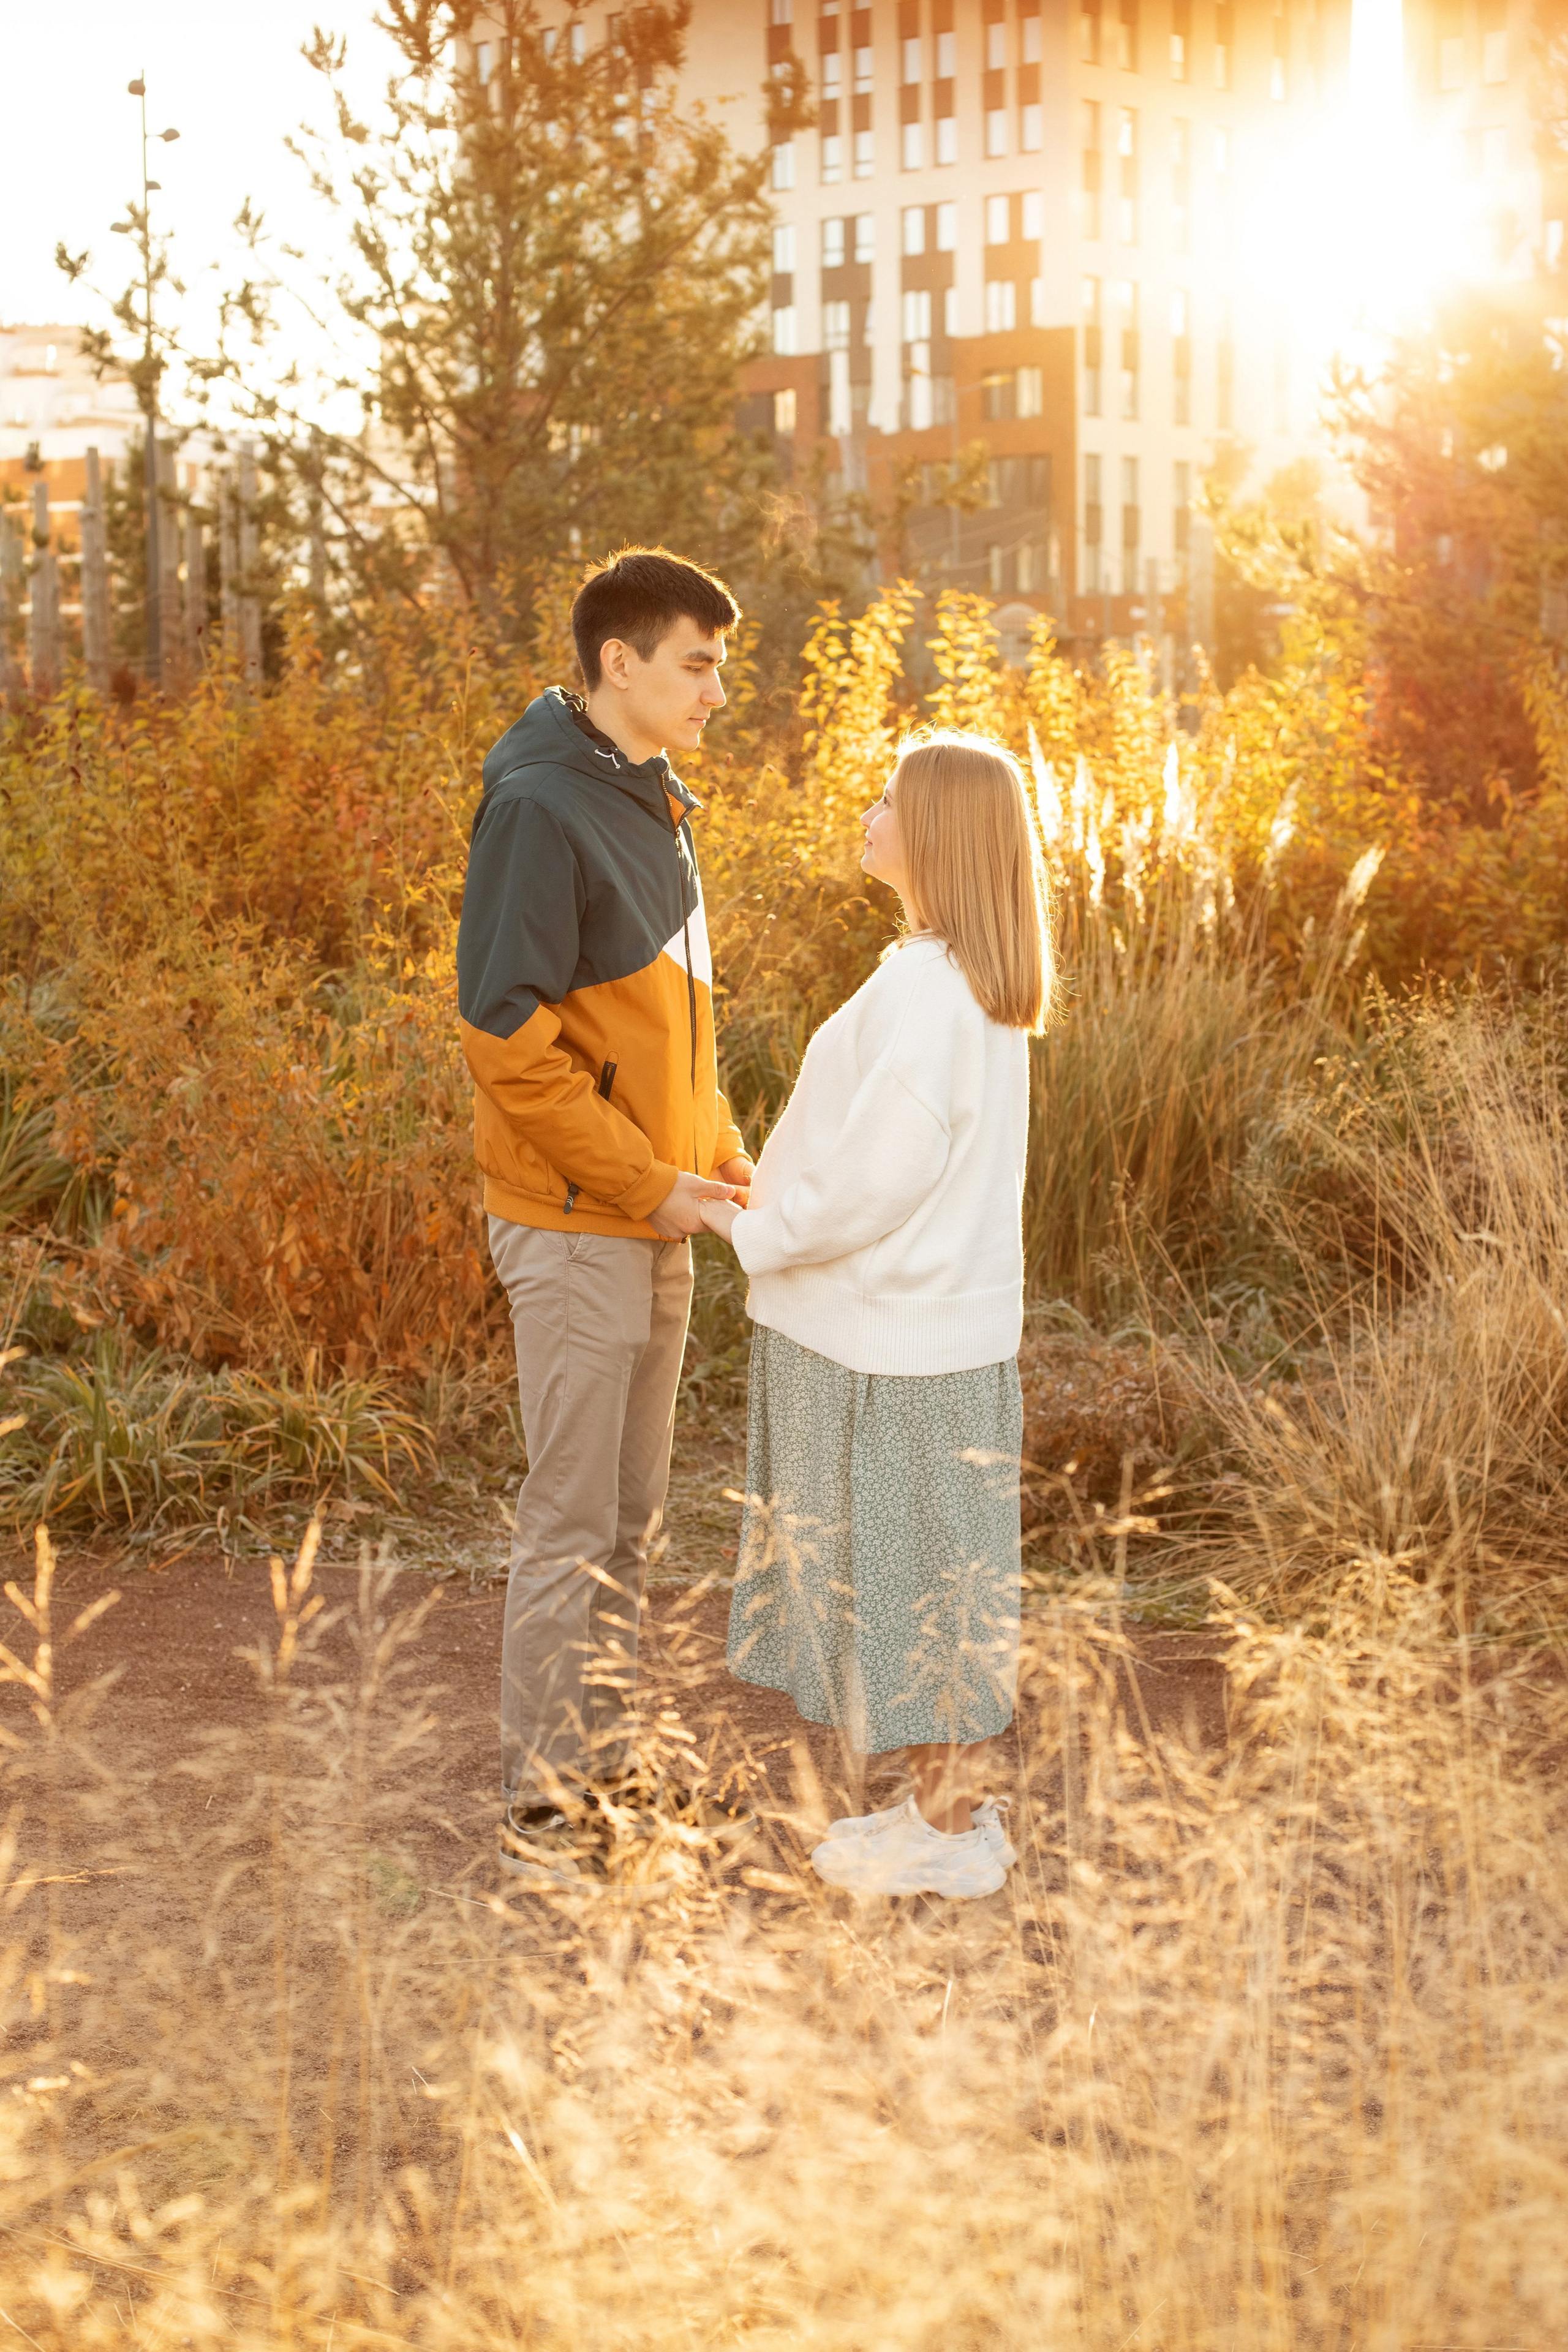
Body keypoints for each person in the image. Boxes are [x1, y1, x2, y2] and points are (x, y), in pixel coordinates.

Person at [698, 728, 1050, 1902]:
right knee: (926, 1581)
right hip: (928, 1339)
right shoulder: (955, 985)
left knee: (916, 1592)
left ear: (936, 832)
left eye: (887, 799)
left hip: (895, 1347)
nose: (867, 812)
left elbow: (875, 1180)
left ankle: (947, 1840)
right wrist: (774, 1195)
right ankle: (935, 1815)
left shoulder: (936, 998)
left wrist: (754, 1229)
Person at [457, 546, 754, 1880]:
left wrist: (717, 1156)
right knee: (573, 1518)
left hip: (655, 1214)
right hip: (581, 1221)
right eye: (697, 662)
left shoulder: (647, 798)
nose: (715, 689)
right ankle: (541, 1806)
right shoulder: (539, 806)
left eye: (720, 666)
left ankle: (604, 1770)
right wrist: (646, 1178)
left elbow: (670, 1027)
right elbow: (504, 1039)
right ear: (617, 664)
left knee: (630, 1521)